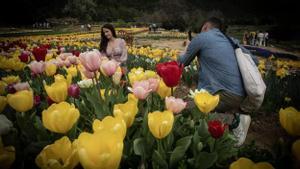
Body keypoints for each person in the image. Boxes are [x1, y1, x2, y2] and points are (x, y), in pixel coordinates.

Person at [178, 17, 257, 146]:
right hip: (242, 94)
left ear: (205, 27)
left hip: (226, 94)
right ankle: (226, 113)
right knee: (199, 87)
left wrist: (187, 48)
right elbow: (254, 60)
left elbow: (181, 63)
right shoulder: (231, 40)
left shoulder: (202, 37)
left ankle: (235, 121)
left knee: (186, 109)